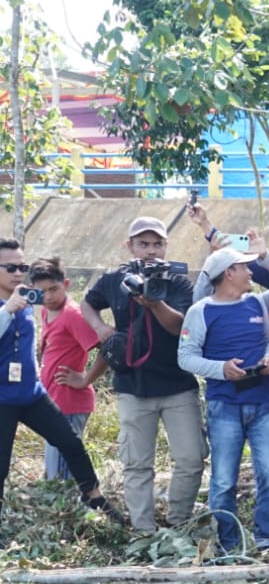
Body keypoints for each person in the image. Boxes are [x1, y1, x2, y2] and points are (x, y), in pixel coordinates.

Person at [81, 216, 205, 534]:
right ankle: (144, 530)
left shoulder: (178, 282)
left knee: (191, 459)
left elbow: (179, 327)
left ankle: (178, 522)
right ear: (130, 246)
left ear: (166, 246)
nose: (151, 250)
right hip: (132, 387)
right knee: (137, 463)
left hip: (178, 385)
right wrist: (100, 327)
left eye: (158, 244)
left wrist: (155, 303)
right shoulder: (115, 280)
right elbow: (88, 303)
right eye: (143, 244)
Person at [178, 246, 269, 552]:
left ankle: (267, 537)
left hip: (265, 402)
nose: (251, 273)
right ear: (228, 273)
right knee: (224, 480)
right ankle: (228, 542)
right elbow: (186, 357)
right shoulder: (200, 312)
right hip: (224, 405)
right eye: (244, 267)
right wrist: (222, 370)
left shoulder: (256, 303)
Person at [0, 239, 116, 517]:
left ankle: (95, 499)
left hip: (32, 394)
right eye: (11, 267)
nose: (18, 273)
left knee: (71, 443)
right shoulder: (14, 304)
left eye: (22, 267)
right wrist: (7, 310)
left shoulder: (28, 300)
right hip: (2, 399)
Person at [27, 257, 98, 482]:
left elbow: (107, 349)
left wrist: (85, 379)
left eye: (53, 289)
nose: (48, 297)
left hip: (71, 402)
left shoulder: (72, 315)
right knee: (54, 469)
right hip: (53, 400)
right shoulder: (46, 311)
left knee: (62, 475)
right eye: (41, 291)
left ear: (66, 284)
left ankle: (81, 500)